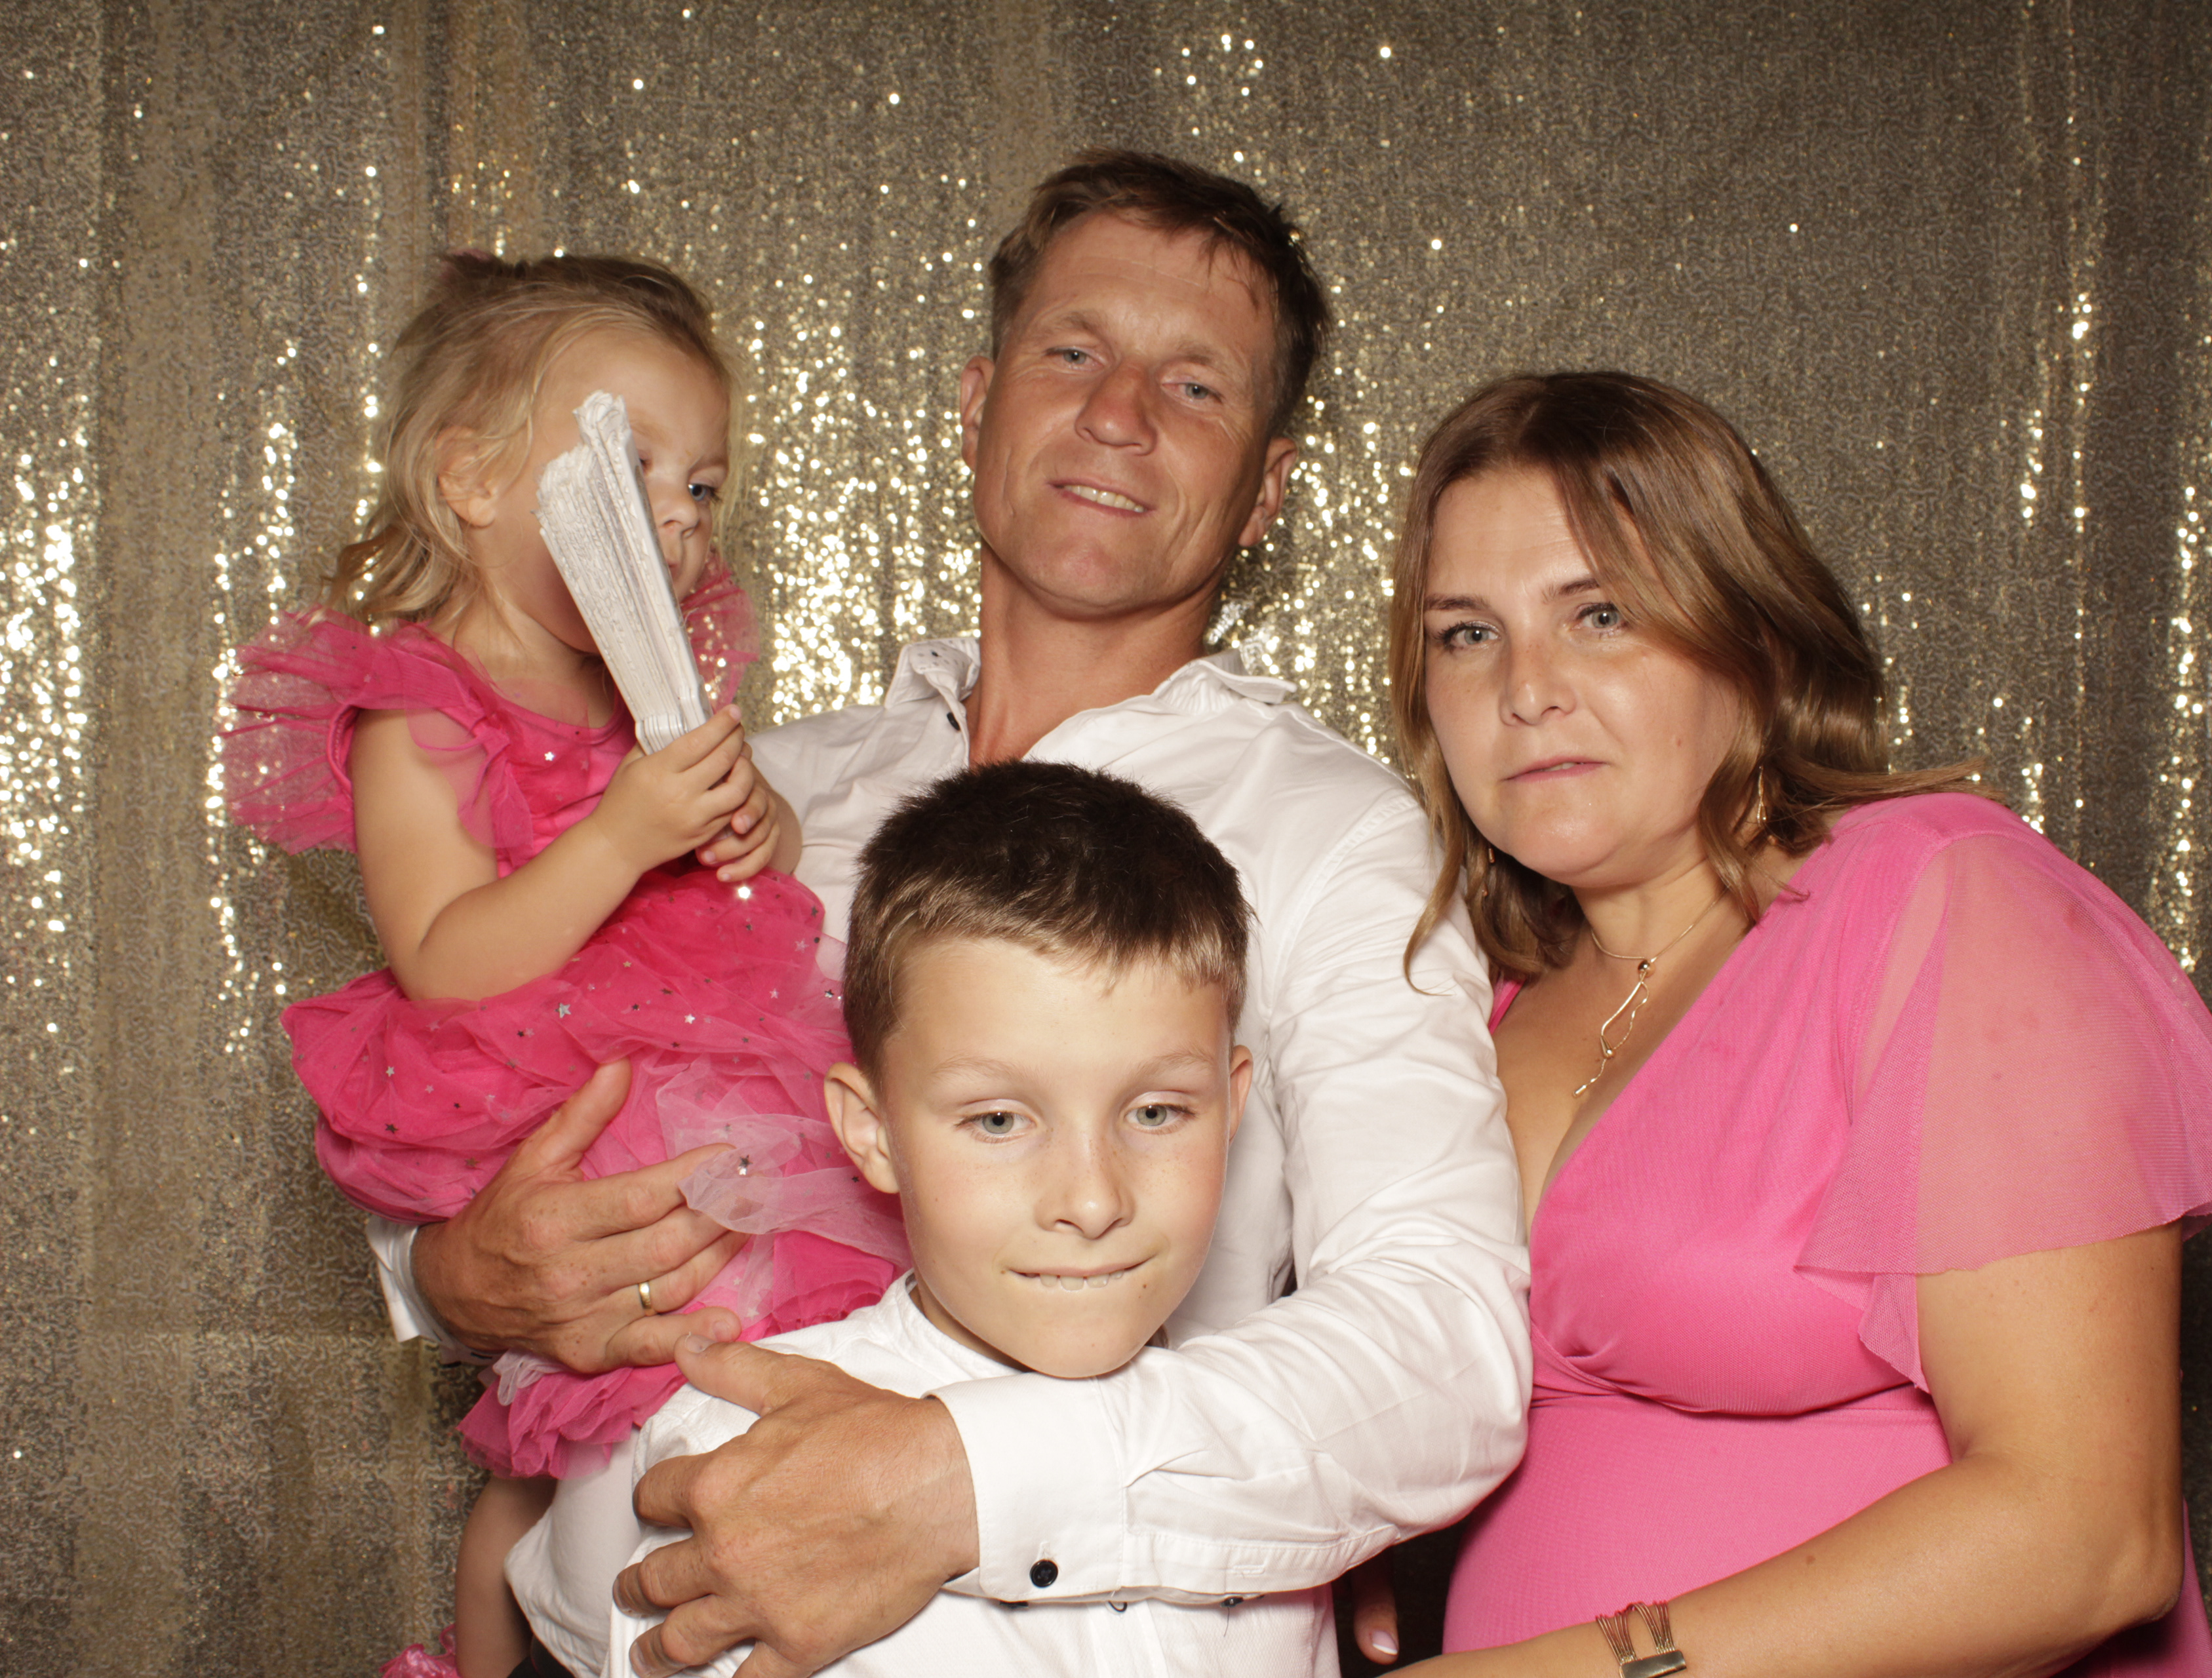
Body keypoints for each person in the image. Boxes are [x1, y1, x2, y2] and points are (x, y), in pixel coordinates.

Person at [382, 153, 1527, 1678]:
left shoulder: (1337, 837)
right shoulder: (759, 785)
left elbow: (1444, 1355)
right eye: (1075, 350)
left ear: (1267, 489)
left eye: (1195, 385)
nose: (1118, 413)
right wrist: (444, 1275)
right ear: (977, 405)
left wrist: (955, 1480)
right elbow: (493, 1056)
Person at [1366, 370, 2212, 1677]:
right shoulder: (1480, 996)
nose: (1527, 689)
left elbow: (2090, 1533)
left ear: (1753, 643)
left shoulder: (1945, 900)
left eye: (1601, 613)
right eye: (1468, 633)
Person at [222, 254, 900, 1678]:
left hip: (701, 1071)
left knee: (673, 1392)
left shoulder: (652, 695)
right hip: (534, 1091)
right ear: (471, 478)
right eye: (630, 464)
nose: (680, 513)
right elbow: (444, 958)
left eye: (704, 483)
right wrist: (621, 833)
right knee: (573, 1430)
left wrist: (752, 826)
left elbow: (758, 875)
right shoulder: (422, 710)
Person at [608, 758, 1341, 1676]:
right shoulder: (748, 1459)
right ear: (872, 1132)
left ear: (1232, 1108)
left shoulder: (1287, 1459)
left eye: (1156, 1112)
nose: (1092, 1202)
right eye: (998, 1121)